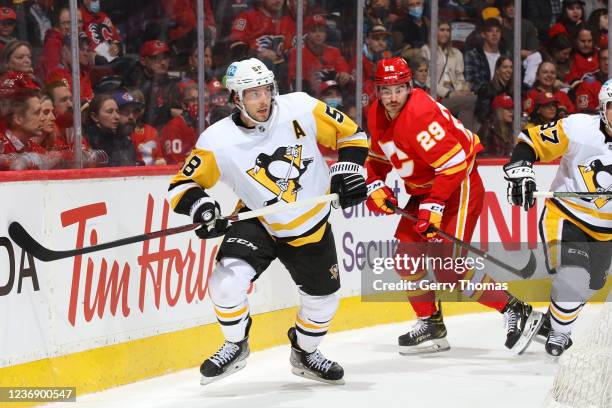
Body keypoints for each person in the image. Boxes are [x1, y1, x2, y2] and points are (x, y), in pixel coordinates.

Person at [167, 57, 368, 385]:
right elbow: (182, 185)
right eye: (252, 93)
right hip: (258, 220)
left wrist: (349, 171)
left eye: (266, 90)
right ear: (236, 98)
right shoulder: (216, 141)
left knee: (323, 304)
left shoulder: (301, 107)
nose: (263, 100)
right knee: (225, 283)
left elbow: (353, 136)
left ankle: (305, 353)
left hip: (310, 226)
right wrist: (203, 209)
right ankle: (236, 344)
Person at [364, 56, 544, 355]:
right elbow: (380, 156)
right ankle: (430, 324)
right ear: (377, 91)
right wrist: (375, 183)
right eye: (386, 90)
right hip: (427, 189)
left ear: (409, 87)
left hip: (459, 187)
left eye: (398, 89)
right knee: (406, 259)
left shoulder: (419, 115)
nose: (392, 97)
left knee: (448, 269)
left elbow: (455, 163)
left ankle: (515, 309)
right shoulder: (376, 114)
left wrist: (433, 205)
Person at [503, 79, 612, 357]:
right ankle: (559, 335)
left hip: (607, 231)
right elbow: (530, 141)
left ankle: (550, 323)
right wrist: (520, 168)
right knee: (575, 277)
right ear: (602, 109)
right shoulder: (578, 128)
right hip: (568, 217)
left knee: (590, 285)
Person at [420, 19, 476, 131]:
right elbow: (426, 79)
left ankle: (465, 141)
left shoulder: (456, 53)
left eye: (447, 30)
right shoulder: (426, 50)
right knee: (472, 101)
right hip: (437, 96)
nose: (445, 33)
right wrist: (448, 93)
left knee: (467, 106)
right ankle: (468, 141)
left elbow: (460, 77)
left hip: (454, 92)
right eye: (442, 30)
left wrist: (462, 90)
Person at [84, 93, 137, 167]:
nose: (117, 116)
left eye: (117, 111)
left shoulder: (125, 142)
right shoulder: (84, 142)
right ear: (95, 117)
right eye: (110, 111)